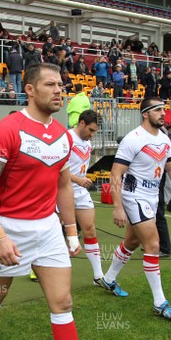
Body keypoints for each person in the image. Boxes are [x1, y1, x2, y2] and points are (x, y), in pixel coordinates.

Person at [0, 63, 95, 340]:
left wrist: (70, 230)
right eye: (51, 85)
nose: (59, 91)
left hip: (49, 229)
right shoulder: (7, 130)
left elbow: (64, 184)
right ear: (29, 89)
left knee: (63, 301)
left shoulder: (62, 136)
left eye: (61, 85)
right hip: (9, 227)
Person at [98, 98, 171, 321]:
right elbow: (115, 174)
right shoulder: (133, 139)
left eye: (164, 110)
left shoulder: (165, 138)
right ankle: (160, 303)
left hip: (152, 196)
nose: (163, 114)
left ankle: (109, 279)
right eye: (158, 110)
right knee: (153, 244)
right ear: (145, 113)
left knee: (132, 241)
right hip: (135, 196)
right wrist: (118, 207)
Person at [68, 110, 104, 283]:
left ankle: (98, 276)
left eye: (95, 131)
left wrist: (81, 180)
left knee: (89, 229)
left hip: (80, 191)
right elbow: (55, 169)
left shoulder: (87, 142)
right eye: (90, 130)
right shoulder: (66, 139)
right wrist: (77, 179)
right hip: (62, 190)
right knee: (58, 234)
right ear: (81, 123)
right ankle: (38, 268)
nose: (92, 134)